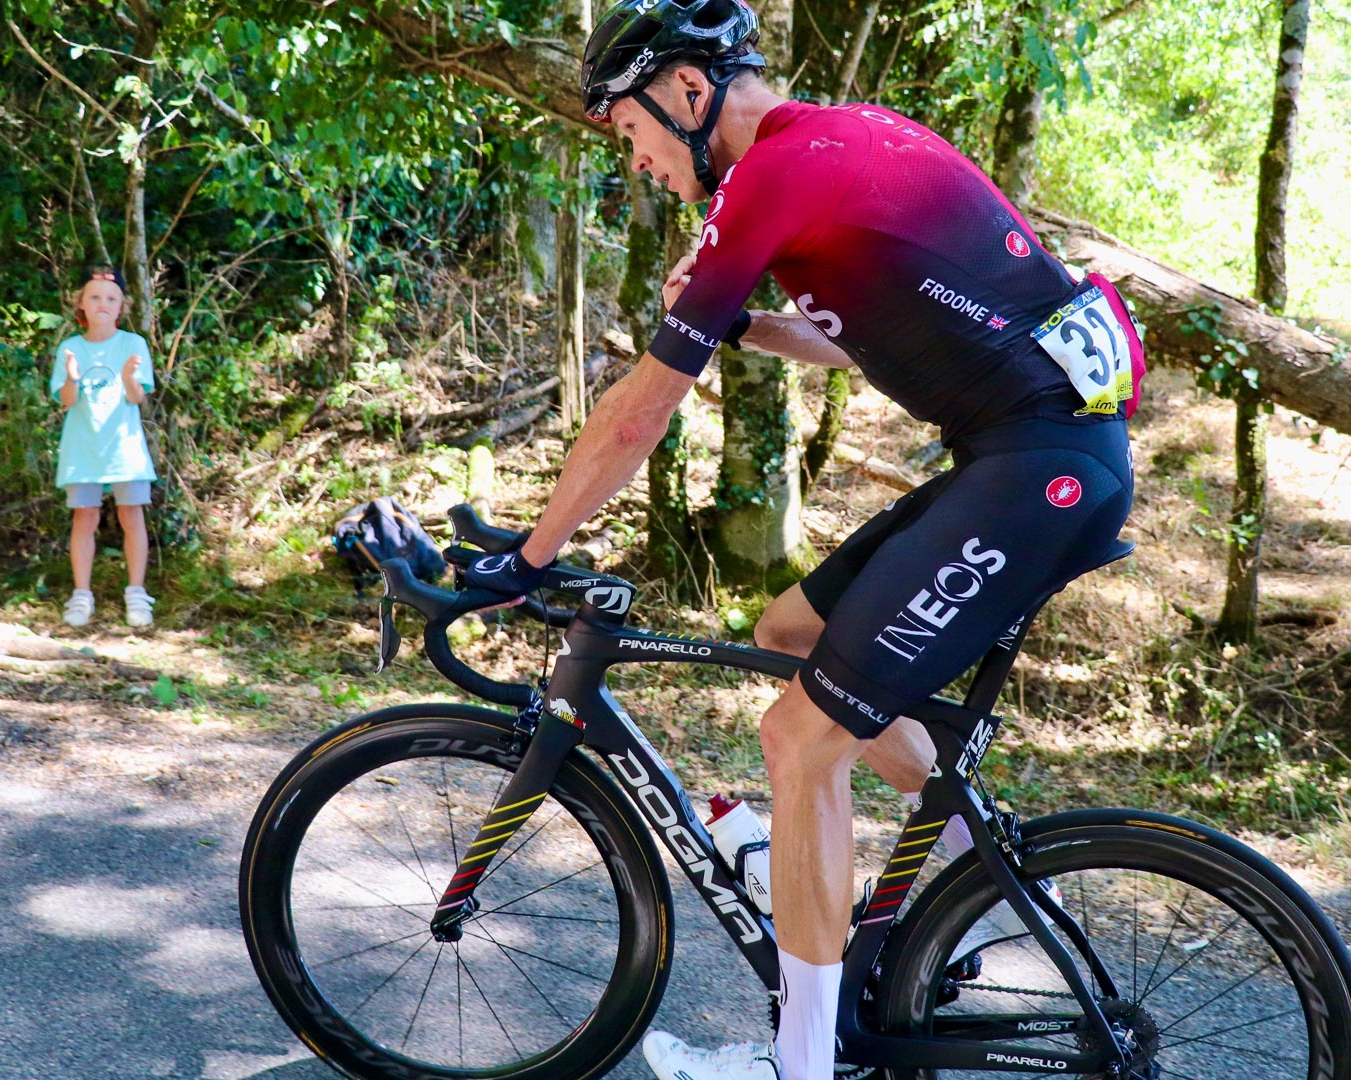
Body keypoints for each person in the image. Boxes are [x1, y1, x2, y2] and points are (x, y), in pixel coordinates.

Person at [459, 3, 1145, 1079]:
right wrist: (746, 325)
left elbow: (641, 412)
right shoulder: (837, 141)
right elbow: (874, 332)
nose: (635, 161)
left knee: (798, 741)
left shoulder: (777, 176)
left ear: (689, 92)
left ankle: (806, 1064)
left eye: (629, 131)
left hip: (1038, 472)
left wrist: (530, 555)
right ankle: (989, 883)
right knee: (790, 631)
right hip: (1032, 457)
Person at [50, 265, 157, 628]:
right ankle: (81, 595)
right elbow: (66, 399)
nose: (102, 304)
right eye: (94, 297)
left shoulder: (133, 344)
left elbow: (136, 396)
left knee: (131, 515)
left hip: (125, 449)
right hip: (83, 449)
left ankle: (137, 594)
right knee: (85, 517)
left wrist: (128, 377)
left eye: (111, 298)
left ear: (122, 306)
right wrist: (73, 378)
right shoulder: (70, 347)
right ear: (80, 304)